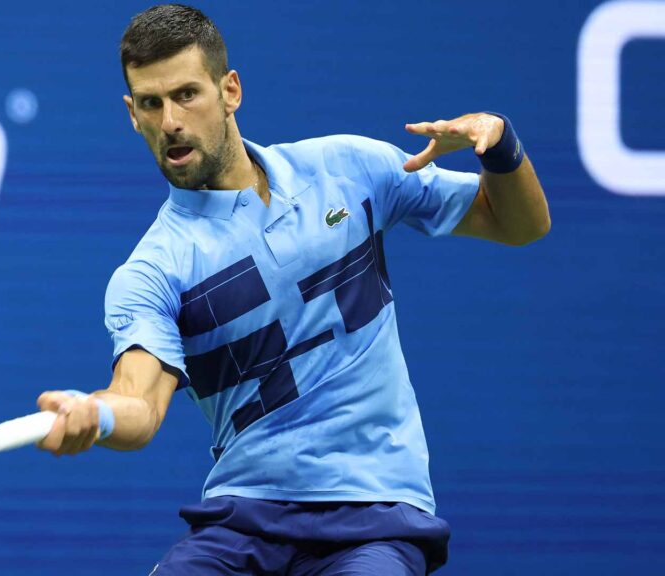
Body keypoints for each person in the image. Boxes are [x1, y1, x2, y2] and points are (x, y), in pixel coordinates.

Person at [36, 4, 550, 575]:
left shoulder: (347, 169)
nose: (171, 121)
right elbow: (139, 401)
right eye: (151, 104)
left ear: (230, 91)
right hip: (242, 522)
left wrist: (499, 145)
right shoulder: (150, 272)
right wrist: (95, 413)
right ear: (133, 115)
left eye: (186, 95)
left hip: (375, 514)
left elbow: (518, 224)